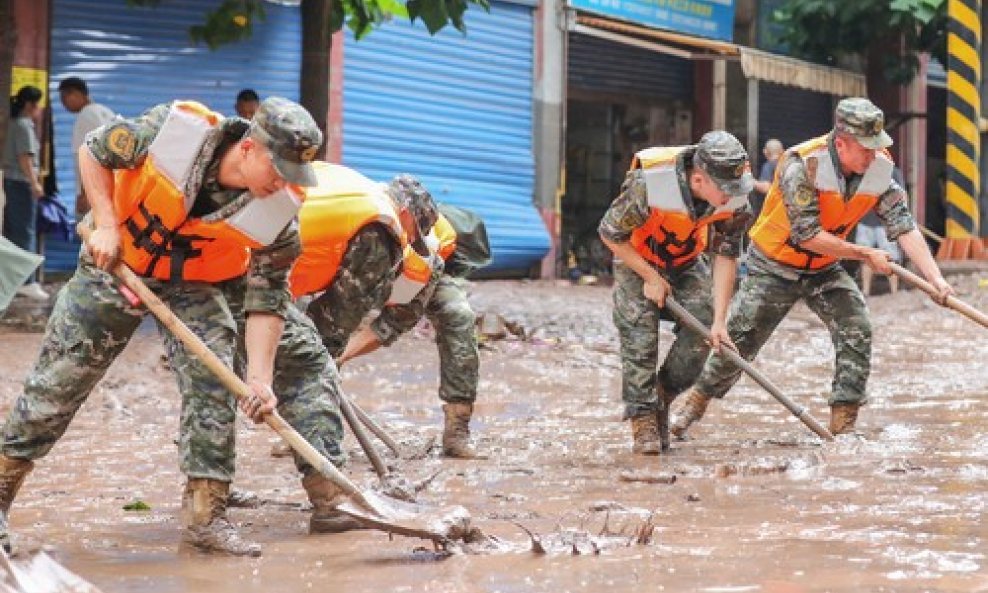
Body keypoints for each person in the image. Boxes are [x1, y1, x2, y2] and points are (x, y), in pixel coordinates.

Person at [0, 97, 346, 557]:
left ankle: (207, 517)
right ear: (248, 148)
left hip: (196, 284)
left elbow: (268, 298)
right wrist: (105, 223)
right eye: (277, 168)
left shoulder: (279, 213)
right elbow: (93, 150)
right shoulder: (174, 131)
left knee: (216, 380)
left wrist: (260, 380)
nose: (283, 182)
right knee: (60, 382)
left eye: (293, 174)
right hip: (118, 259)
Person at [671, 98, 955, 438]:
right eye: (866, 149)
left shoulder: (878, 168)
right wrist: (865, 254)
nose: (873, 156)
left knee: (857, 327)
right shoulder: (801, 165)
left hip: (824, 266)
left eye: (877, 147)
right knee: (740, 340)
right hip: (774, 264)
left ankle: (843, 427)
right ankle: (695, 404)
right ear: (840, 143)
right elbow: (807, 236)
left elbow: (903, 225)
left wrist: (935, 279)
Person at [289, 164, 486, 458]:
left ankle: (457, 429)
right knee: (315, 336)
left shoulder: (424, 254)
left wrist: (337, 355)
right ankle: (303, 422)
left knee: (458, 315)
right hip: (339, 257)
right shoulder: (354, 211)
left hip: (412, 272)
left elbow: (390, 325)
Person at [598, 131, 753, 455]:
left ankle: (662, 396)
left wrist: (720, 321)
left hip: (685, 262)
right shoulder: (649, 182)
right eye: (724, 191)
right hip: (636, 259)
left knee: (705, 324)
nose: (731, 197)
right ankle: (642, 420)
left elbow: (726, 256)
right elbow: (611, 233)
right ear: (698, 179)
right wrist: (650, 276)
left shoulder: (735, 195)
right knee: (640, 337)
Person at [2, 86, 48, 301]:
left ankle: (11, 279)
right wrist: (35, 184)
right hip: (21, 183)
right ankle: (27, 281)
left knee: (13, 231)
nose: (39, 109)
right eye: (37, 104)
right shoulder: (23, 126)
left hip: (12, 182)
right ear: (31, 105)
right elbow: (25, 158)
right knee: (25, 232)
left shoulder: (13, 123)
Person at [57, 77, 117, 218]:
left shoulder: (86, 116)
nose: (63, 104)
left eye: (64, 98)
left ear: (76, 94)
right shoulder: (106, 112)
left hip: (94, 192)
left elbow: (87, 156)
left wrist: (84, 194)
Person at [855, 166, 906, 295]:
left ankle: (894, 292)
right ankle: (866, 291)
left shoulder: (893, 171)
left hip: (884, 223)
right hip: (866, 221)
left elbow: (902, 195)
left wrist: (903, 216)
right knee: (865, 257)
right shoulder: (862, 171)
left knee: (891, 259)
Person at [751, 139, 784, 216]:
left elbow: (766, 188)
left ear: (765, 152)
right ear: (782, 151)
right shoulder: (788, 164)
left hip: (774, 211)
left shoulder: (769, 166)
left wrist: (750, 180)